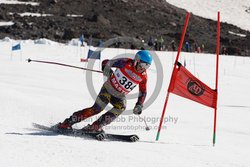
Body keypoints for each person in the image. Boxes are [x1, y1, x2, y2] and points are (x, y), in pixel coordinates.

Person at [56, 50, 153, 132]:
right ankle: (68, 122)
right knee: (97, 109)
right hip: (108, 88)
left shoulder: (143, 76)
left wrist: (139, 104)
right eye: (142, 65)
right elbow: (106, 62)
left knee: (120, 108)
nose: (143, 69)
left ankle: (95, 127)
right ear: (137, 60)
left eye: (147, 66)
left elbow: (143, 91)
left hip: (119, 95)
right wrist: (107, 70)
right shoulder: (125, 62)